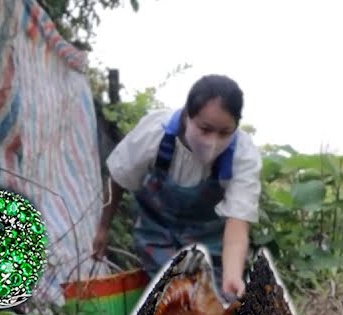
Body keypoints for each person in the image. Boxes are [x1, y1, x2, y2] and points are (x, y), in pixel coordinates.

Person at [92, 74, 262, 299]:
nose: (213, 142)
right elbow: (119, 177)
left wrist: (233, 275)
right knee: (177, 294)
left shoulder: (243, 155)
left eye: (224, 133)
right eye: (205, 129)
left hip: (209, 242)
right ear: (186, 115)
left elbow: (238, 222)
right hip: (157, 233)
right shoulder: (154, 133)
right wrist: (103, 228)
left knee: (218, 299)